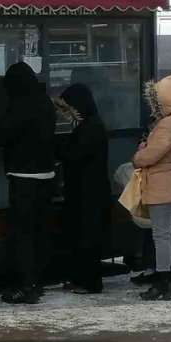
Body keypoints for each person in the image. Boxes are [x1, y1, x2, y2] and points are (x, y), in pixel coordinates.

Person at [0, 62, 57, 304]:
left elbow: (0, 134)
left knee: (23, 235)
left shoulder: (18, 106)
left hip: (24, 179)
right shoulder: (44, 102)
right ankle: (38, 282)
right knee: (39, 233)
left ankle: (27, 287)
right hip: (47, 176)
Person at [132, 75, 171, 301]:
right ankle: (170, 281)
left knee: (161, 236)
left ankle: (162, 280)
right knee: (167, 235)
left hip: (161, 185)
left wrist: (139, 153)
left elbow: (150, 156)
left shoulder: (169, 124)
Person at [55, 84, 109, 295]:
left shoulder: (90, 128)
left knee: (86, 237)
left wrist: (57, 148)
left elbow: (72, 154)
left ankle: (90, 282)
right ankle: (81, 279)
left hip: (89, 193)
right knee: (81, 235)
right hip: (86, 191)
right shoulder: (91, 124)